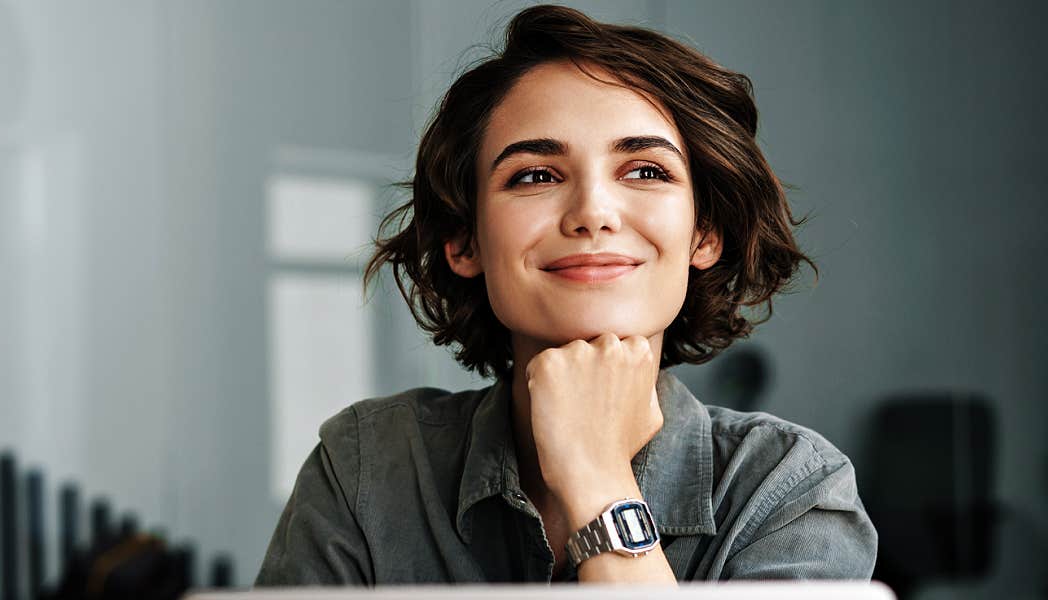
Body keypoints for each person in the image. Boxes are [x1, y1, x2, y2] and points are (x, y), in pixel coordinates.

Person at [255, 4, 877, 586]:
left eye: (646, 171)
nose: (593, 213)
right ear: (463, 241)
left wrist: (596, 478)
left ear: (704, 233)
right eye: (535, 175)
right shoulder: (365, 467)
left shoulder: (790, 490)